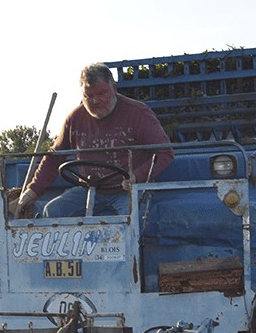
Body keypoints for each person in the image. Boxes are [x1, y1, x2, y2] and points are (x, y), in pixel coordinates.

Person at [11, 63, 174, 218]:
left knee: (129, 220)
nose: (95, 101)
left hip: (129, 191)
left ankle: (131, 248)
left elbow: (164, 153)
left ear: (114, 89)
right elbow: (55, 157)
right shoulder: (75, 118)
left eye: (101, 94)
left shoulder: (138, 113)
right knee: (53, 211)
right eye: (88, 96)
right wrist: (32, 190)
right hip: (89, 190)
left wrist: (136, 176)